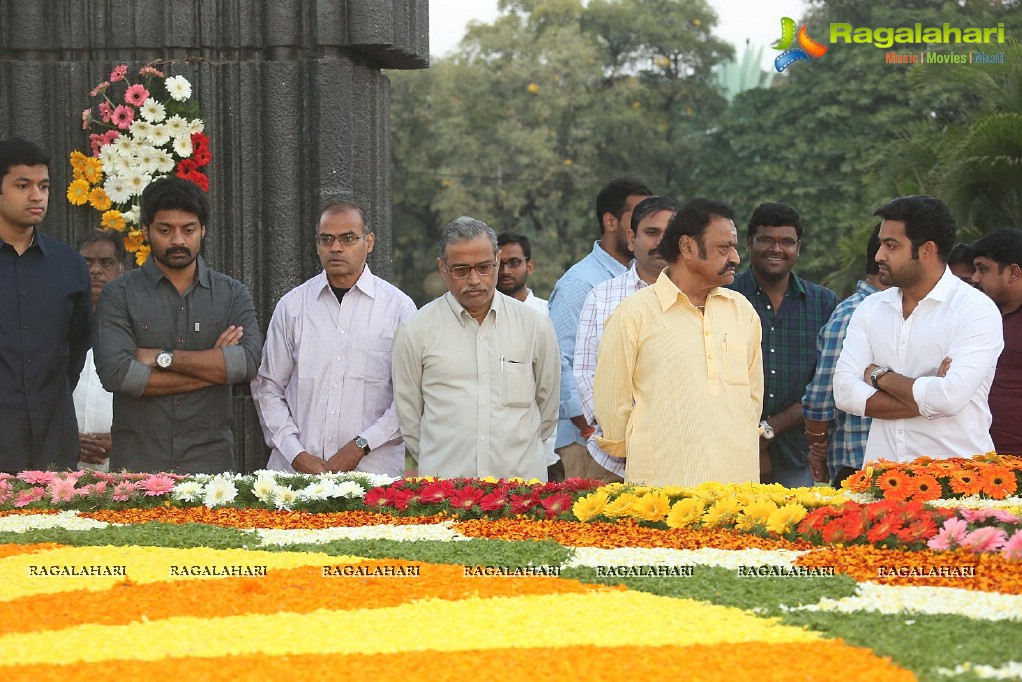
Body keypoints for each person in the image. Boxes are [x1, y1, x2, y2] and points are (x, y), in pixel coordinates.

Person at [94, 176, 262, 473]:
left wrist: (162, 357)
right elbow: (119, 376)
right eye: (165, 230)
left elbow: (247, 363)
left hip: (211, 468)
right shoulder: (119, 294)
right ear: (145, 230)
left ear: (203, 230)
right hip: (137, 467)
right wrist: (214, 370)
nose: (178, 241)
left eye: (189, 230)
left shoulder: (231, 294)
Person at [594, 198, 762, 487]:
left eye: (734, 247)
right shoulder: (634, 314)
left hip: (738, 487)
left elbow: (753, 401)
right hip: (661, 489)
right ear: (687, 247)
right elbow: (612, 407)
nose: (735, 258)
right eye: (724, 248)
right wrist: (646, 449)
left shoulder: (742, 311)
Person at [834, 195, 1003, 463]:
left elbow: (949, 397)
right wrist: (925, 398)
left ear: (927, 250)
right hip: (881, 481)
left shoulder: (975, 310)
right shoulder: (870, 308)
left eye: (891, 246)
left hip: (959, 483)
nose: (879, 255)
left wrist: (878, 375)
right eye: (881, 245)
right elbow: (843, 391)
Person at [252, 202, 416, 476]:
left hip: (373, 476)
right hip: (294, 478)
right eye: (326, 239)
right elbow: (268, 388)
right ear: (317, 245)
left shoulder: (398, 309)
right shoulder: (293, 306)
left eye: (348, 238)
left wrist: (361, 445)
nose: (336, 247)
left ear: (369, 242)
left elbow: (409, 398)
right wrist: (296, 454)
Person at [392, 217, 559, 480]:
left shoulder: (534, 325)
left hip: (521, 492)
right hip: (444, 493)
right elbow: (410, 420)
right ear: (442, 268)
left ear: (497, 260)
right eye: (460, 270)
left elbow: (548, 410)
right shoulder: (416, 330)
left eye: (483, 267)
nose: (473, 279)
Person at [548, 177, 652, 479]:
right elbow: (560, 363)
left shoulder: (652, 281)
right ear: (610, 221)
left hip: (641, 444)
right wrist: (589, 426)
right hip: (586, 443)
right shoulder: (581, 283)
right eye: (640, 217)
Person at [729, 202, 838, 487]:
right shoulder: (725, 297)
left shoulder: (823, 303)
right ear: (750, 242)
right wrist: (751, 441)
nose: (776, 249)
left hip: (798, 456)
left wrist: (767, 432)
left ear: (798, 248)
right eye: (767, 240)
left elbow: (827, 385)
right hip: (730, 454)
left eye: (786, 242)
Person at [0, 137, 91, 474]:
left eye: (43, 185)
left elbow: (78, 345)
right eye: (22, 185)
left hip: (54, 446)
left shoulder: (69, 266)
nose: (36, 195)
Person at [574, 195, 677, 483]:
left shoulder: (695, 300)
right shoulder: (602, 297)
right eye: (651, 232)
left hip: (677, 455)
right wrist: (620, 433)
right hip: (612, 459)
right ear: (631, 238)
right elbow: (584, 370)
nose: (660, 242)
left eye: (669, 234)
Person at [801, 225, 887, 488]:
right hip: (858, 463)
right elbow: (822, 397)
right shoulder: (853, 313)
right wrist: (818, 445)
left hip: (898, 460)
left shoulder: (904, 310)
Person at [496, 230, 561, 481]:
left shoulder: (549, 316)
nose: (505, 271)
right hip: (493, 455)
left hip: (546, 454)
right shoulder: (480, 322)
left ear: (529, 266)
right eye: (499, 263)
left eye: (514, 263)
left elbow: (552, 390)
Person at [74, 229, 127, 471]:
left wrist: (122, 439)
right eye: (86, 262)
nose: (95, 270)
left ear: (121, 270)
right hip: (61, 461)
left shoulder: (137, 328)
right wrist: (66, 437)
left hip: (123, 462)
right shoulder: (54, 325)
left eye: (106, 263)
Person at [970, 228, 1022, 455]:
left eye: (983, 269)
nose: (975, 278)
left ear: (1013, 272)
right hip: (978, 459)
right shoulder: (977, 317)